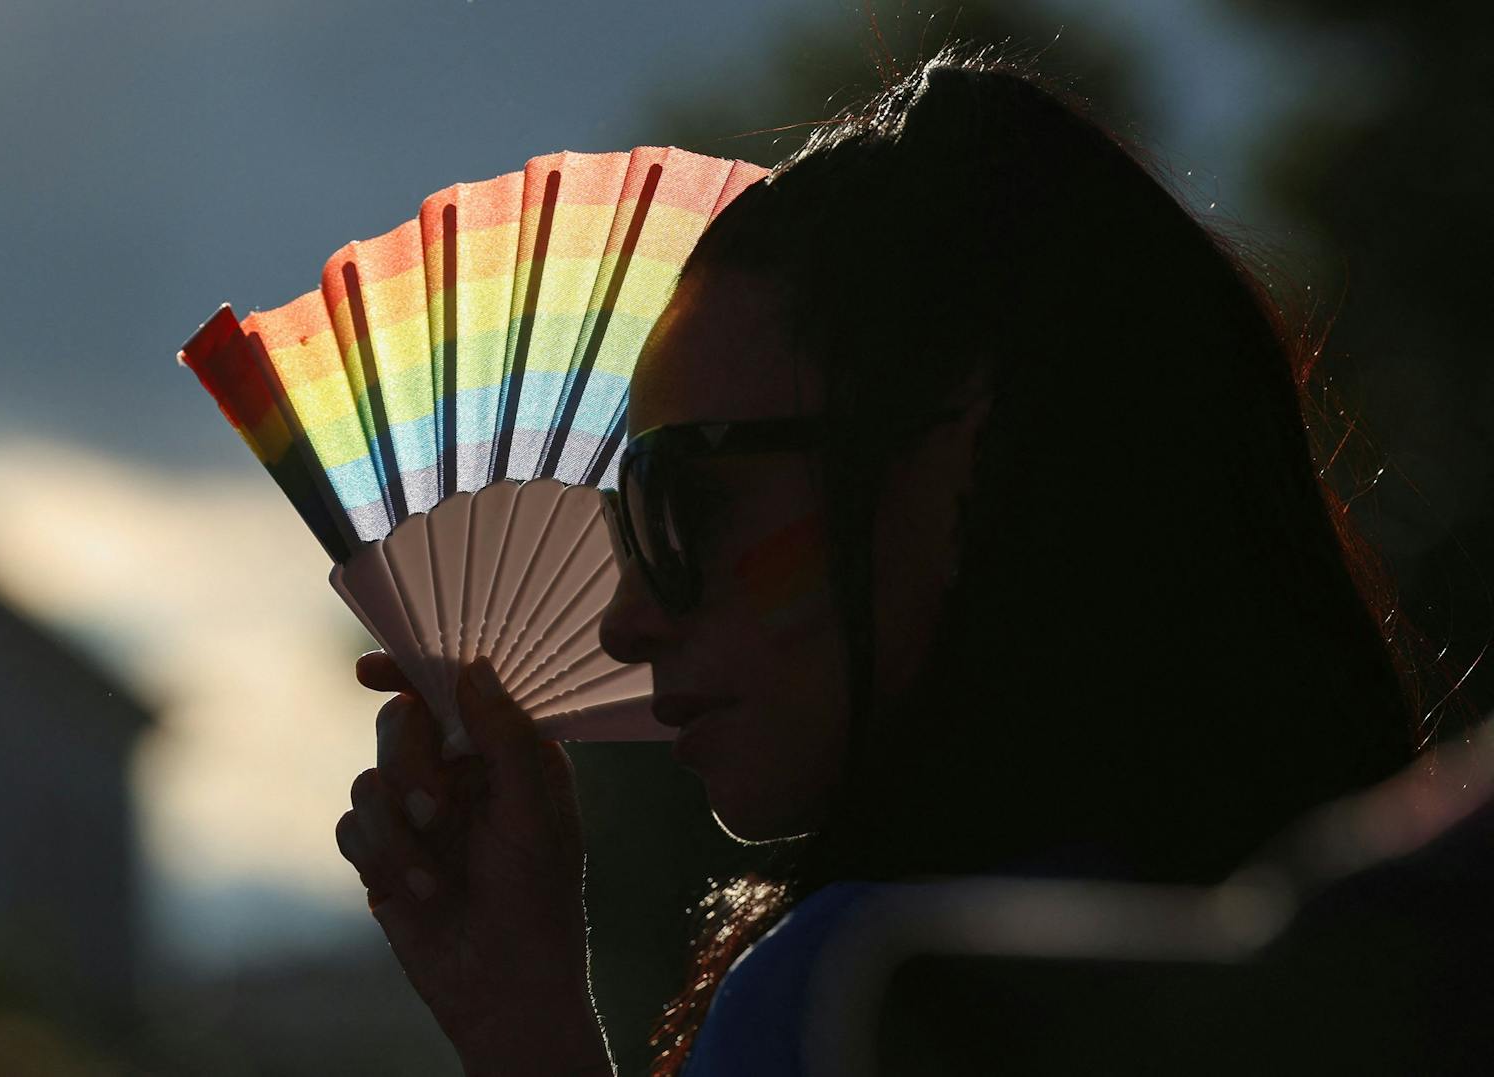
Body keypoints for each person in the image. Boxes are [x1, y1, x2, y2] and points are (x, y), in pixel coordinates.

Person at [335, 42, 1449, 1076]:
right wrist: (524, 1015)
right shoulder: (1389, 955)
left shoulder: (864, 996)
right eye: (623, 521)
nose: (624, 619)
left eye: (688, 503)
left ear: (959, 462)